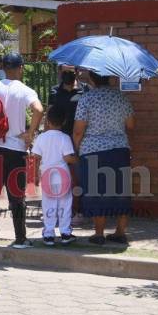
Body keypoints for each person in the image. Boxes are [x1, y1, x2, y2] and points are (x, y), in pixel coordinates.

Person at [0, 52, 44, 248]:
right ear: (20, 68)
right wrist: (30, 134)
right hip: (16, 149)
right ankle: (20, 239)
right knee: (16, 196)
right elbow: (39, 109)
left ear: (3, 68)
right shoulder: (24, 90)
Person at [73, 71, 135, 245]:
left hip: (93, 151)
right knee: (121, 190)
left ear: (92, 79)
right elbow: (131, 125)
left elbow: (78, 130)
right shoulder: (121, 97)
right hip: (119, 150)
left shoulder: (87, 98)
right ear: (108, 78)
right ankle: (120, 232)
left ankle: (99, 233)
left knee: (96, 190)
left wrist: (77, 148)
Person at [48, 65, 89, 223]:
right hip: (60, 138)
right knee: (60, 175)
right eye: (64, 72)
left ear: (78, 72)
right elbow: (49, 115)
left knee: (79, 176)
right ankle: (62, 210)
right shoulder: (54, 92)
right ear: (59, 72)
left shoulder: (86, 91)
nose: (67, 75)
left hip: (81, 139)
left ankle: (80, 210)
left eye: (71, 72)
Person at [32, 105, 78, 246]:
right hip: (63, 176)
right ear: (64, 121)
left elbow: (36, 158)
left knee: (48, 205)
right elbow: (68, 158)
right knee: (65, 204)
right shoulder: (65, 138)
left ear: (47, 121)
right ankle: (65, 233)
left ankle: (49, 234)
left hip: (47, 176)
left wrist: (35, 176)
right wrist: (77, 159)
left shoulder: (41, 138)